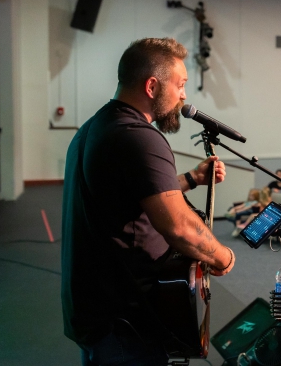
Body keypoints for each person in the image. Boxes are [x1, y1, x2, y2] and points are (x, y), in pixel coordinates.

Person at [61, 38, 234, 365]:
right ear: (152, 86)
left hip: (97, 311)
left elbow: (131, 196)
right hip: (124, 322)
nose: (184, 95)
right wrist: (221, 256)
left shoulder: (96, 128)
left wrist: (192, 179)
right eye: (180, 85)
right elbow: (179, 227)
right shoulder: (140, 136)